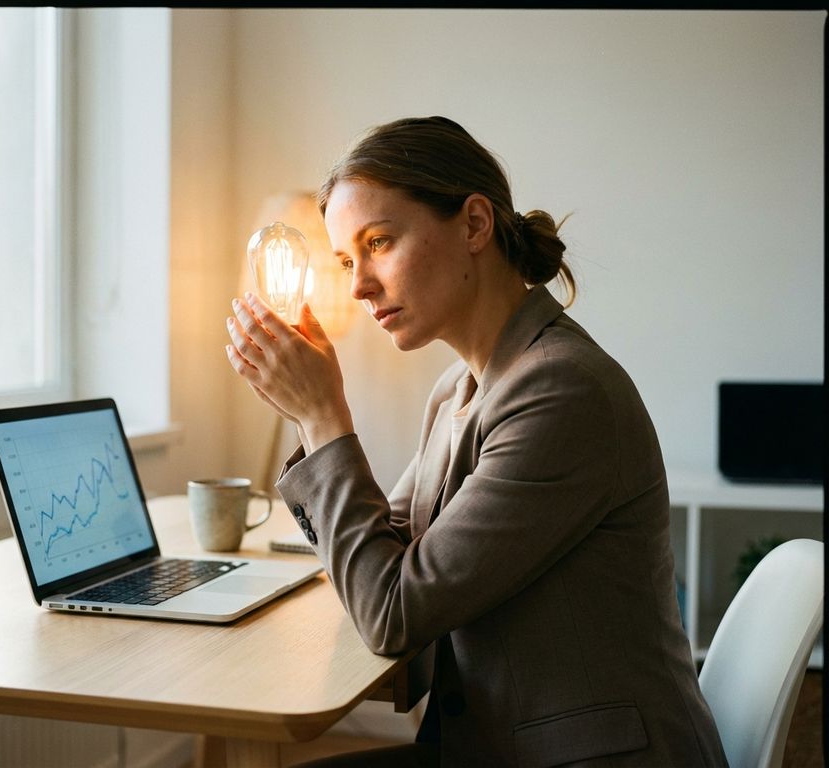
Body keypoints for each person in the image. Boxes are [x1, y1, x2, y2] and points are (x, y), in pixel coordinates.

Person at [225, 116, 728, 768]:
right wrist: (306, 413)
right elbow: (391, 551)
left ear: (473, 225)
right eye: (348, 259)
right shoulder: (458, 390)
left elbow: (392, 613)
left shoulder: (561, 394)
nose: (357, 284)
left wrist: (323, 418)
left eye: (379, 242)